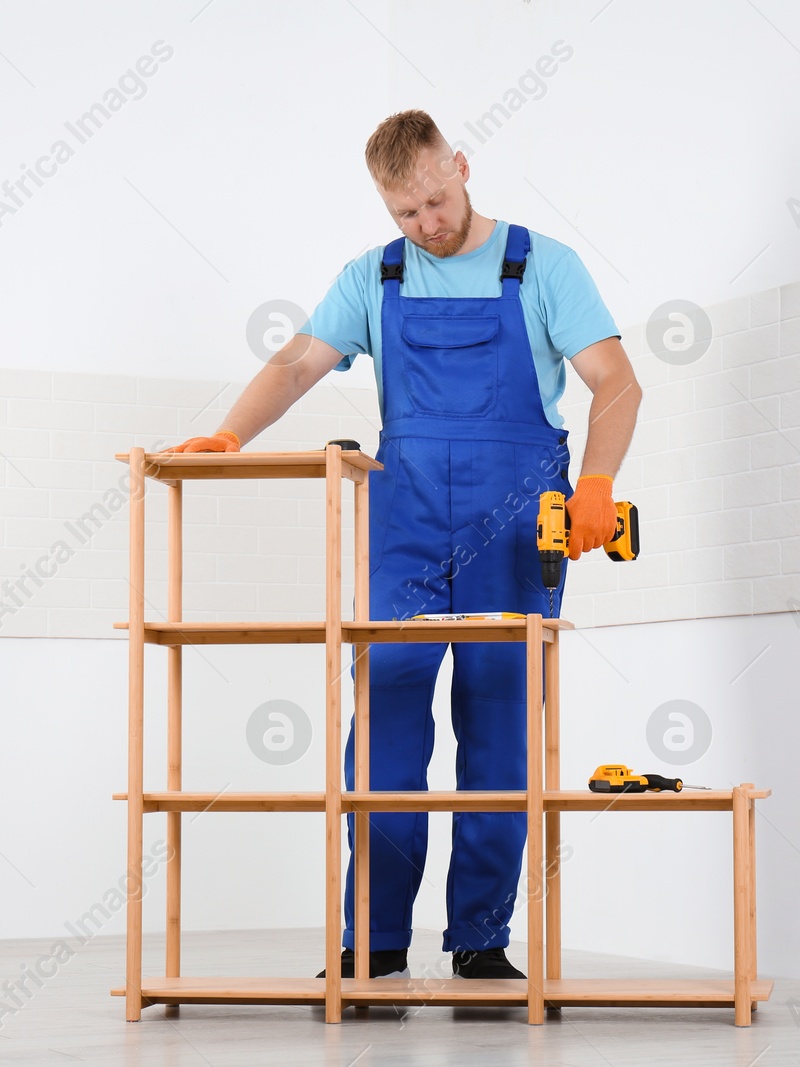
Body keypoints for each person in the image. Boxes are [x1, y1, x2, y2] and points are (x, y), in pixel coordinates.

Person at [171, 109, 641, 980]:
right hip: (408, 523)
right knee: (383, 715)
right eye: (405, 214)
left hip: (517, 526)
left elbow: (616, 378)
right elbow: (300, 362)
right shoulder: (375, 276)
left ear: (461, 166)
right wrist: (230, 433)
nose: (426, 225)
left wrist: (598, 484)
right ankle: (375, 939)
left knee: (500, 723)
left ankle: (480, 938)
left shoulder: (542, 266)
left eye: (435, 200)